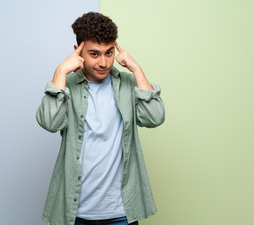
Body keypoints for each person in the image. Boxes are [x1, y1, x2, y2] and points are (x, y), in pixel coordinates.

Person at [36, 12, 165, 225]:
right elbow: (49, 122)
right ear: (78, 51)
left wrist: (136, 69)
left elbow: (155, 117)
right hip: (75, 211)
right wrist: (60, 71)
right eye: (94, 54)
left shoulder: (128, 83)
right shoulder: (66, 86)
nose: (103, 62)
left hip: (121, 211)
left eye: (109, 52)